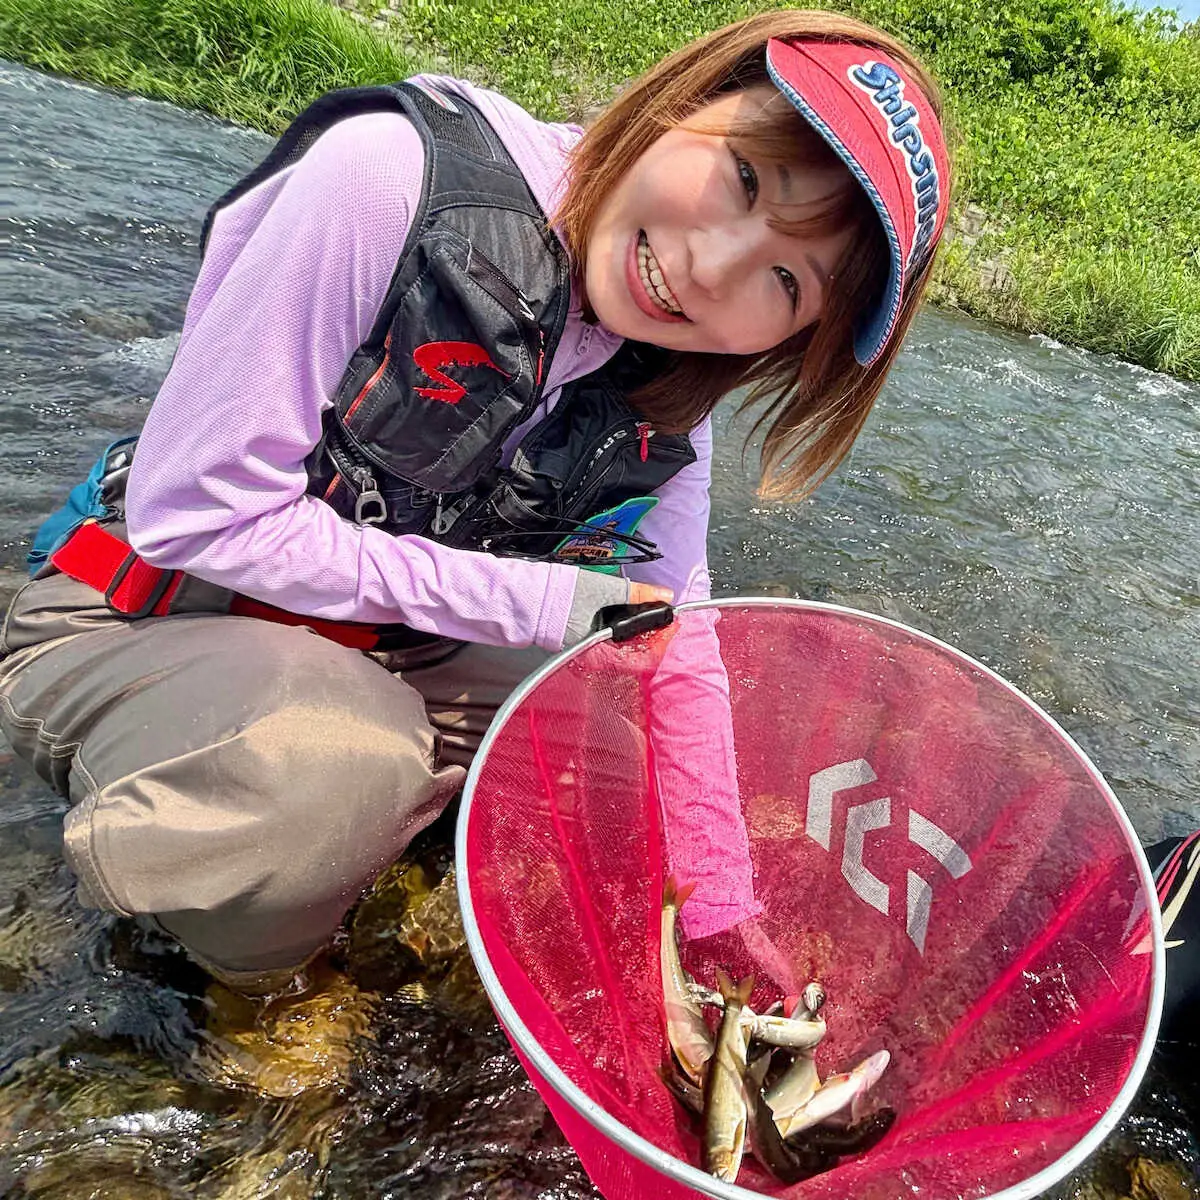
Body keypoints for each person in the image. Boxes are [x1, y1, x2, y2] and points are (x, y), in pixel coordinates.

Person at [0, 10, 951, 995]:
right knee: (332, 772)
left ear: (792, 342)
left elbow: (677, 647)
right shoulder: (385, 180)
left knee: (622, 766)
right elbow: (196, 515)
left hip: (370, 642)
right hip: (138, 608)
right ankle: (254, 990)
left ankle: (411, 874)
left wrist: (717, 912)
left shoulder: (671, 399)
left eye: (786, 279)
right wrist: (539, 603)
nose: (710, 269)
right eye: (744, 179)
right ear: (687, 101)